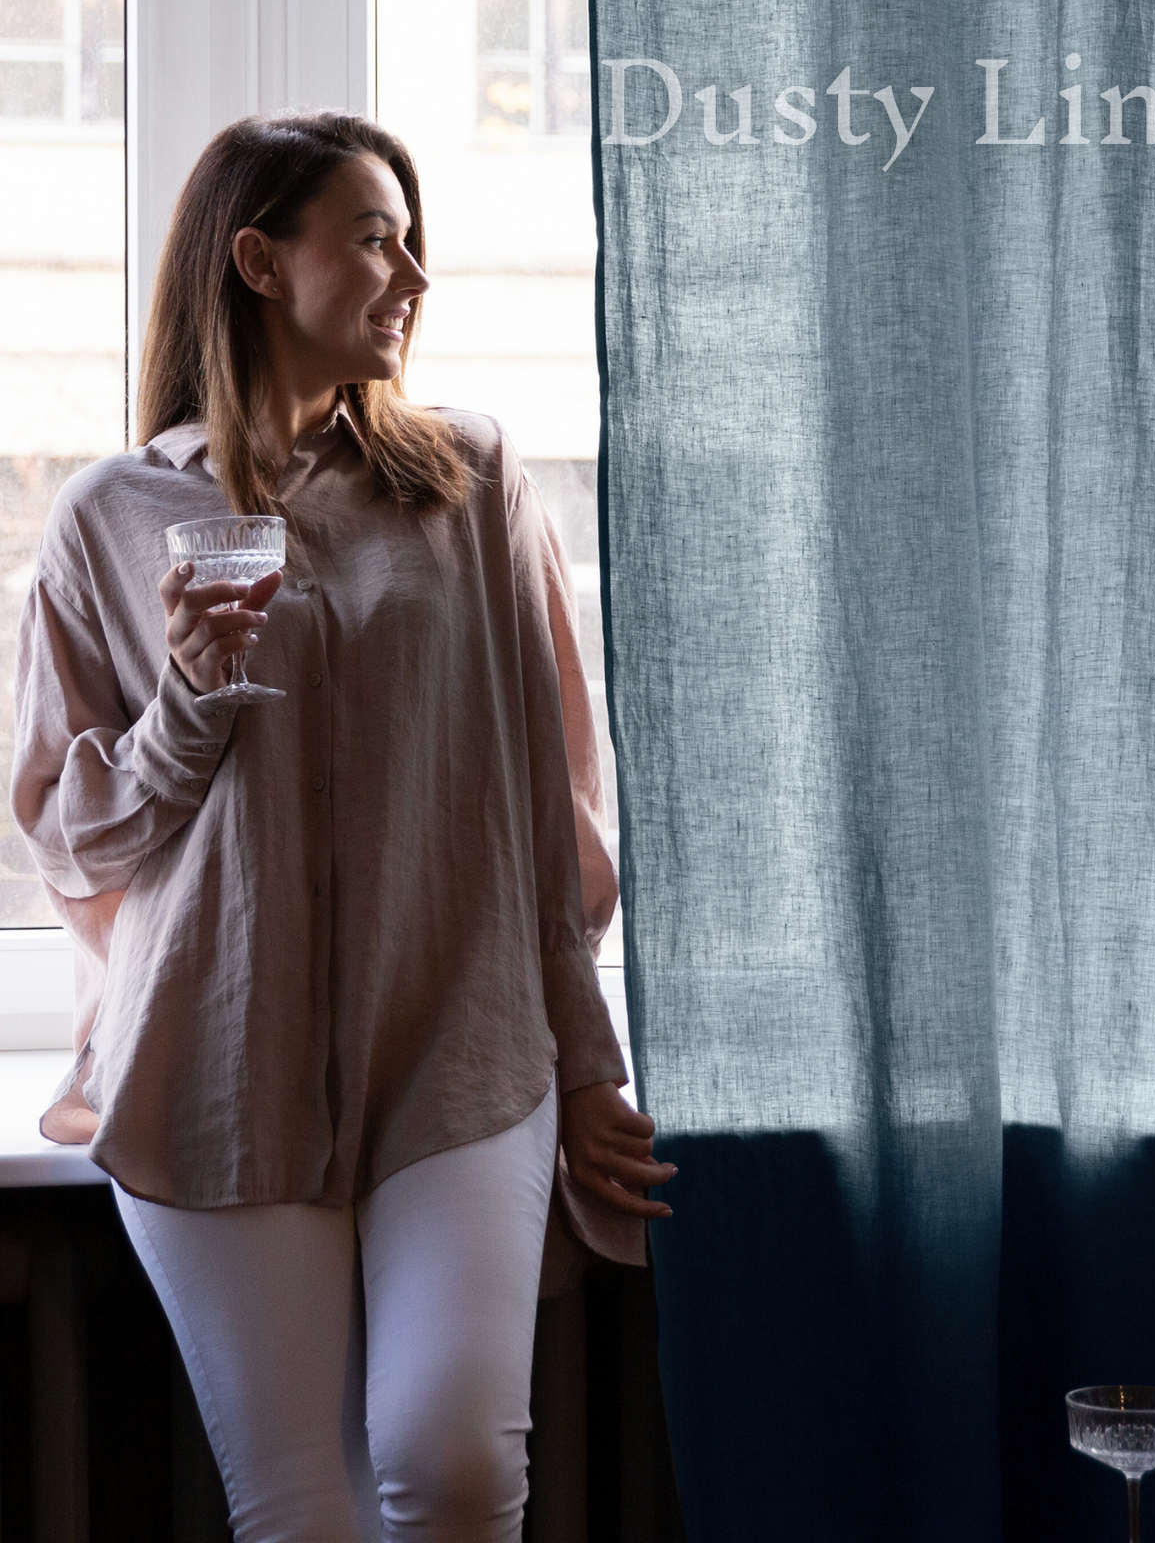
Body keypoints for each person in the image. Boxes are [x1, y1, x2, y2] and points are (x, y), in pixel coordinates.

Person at [10, 111, 674, 1543]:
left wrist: (590, 1067)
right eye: (374, 236)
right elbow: (69, 838)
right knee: (301, 1517)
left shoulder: (471, 484)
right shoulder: (110, 518)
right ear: (257, 259)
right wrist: (190, 696)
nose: (412, 270)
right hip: (212, 1061)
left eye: (411, 235)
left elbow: (545, 819)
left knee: (448, 1474)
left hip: (458, 1051)